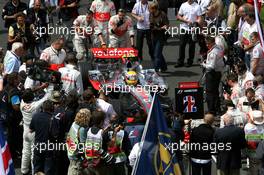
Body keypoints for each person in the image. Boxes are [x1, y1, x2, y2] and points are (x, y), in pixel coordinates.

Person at [20, 88, 52, 175]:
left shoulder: (22, 103)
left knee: (25, 150)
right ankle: (34, 172)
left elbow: (26, 95)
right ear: (32, 97)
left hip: (26, 128)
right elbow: (46, 97)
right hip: (33, 130)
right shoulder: (35, 105)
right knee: (34, 152)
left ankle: (24, 170)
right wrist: (48, 87)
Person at [84, 110, 115, 175]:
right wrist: (115, 133)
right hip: (100, 163)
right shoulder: (103, 133)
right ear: (101, 121)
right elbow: (111, 145)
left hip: (89, 161)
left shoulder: (87, 130)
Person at [30, 100, 55, 175]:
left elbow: (31, 130)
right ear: (52, 108)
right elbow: (54, 134)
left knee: (37, 168)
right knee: (48, 169)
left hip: (37, 145)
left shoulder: (36, 116)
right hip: (48, 146)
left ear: (43, 108)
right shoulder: (53, 119)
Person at [201, 36, 225, 114]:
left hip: (212, 74)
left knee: (210, 93)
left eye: (208, 44)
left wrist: (203, 64)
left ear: (212, 43)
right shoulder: (218, 47)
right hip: (218, 73)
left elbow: (211, 66)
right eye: (206, 43)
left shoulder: (213, 52)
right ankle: (217, 109)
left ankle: (211, 110)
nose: (207, 45)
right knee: (215, 92)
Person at [175, 0, 202, 67]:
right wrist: (186, 21)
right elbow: (178, 16)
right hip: (183, 28)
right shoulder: (183, 5)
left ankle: (190, 61)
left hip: (192, 29)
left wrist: (195, 24)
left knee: (191, 46)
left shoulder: (197, 6)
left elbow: (200, 18)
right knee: (181, 45)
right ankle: (180, 62)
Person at [66, 108, 91, 175]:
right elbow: (83, 145)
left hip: (70, 152)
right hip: (76, 156)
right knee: (75, 171)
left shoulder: (74, 124)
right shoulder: (82, 129)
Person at [149, 2, 169, 72]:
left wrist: (163, 27)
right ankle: (164, 67)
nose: (149, 10)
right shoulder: (151, 15)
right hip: (153, 35)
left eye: (150, 9)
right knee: (158, 52)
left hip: (161, 36)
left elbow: (167, 25)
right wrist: (160, 28)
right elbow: (151, 26)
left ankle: (155, 70)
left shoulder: (162, 14)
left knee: (156, 54)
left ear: (154, 9)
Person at [244, 110, 264, 175]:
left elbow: (248, 138)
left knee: (254, 170)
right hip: (262, 151)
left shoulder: (248, 127)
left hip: (253, 152)